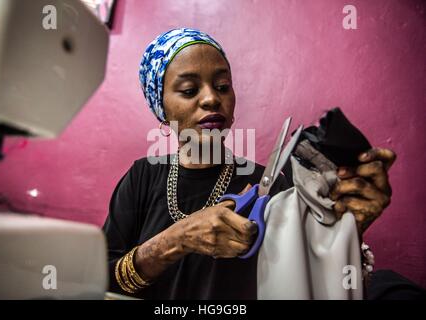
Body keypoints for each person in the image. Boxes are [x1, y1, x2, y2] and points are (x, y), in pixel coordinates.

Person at [102, 28, 397, 299]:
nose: (211, 99)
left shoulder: (271, 186)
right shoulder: (142, 177)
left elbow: (315, 283)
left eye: (222, 86)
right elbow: (101, 280)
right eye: (190, 90)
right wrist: (176, 239)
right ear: (162, 109)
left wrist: (352, 227)